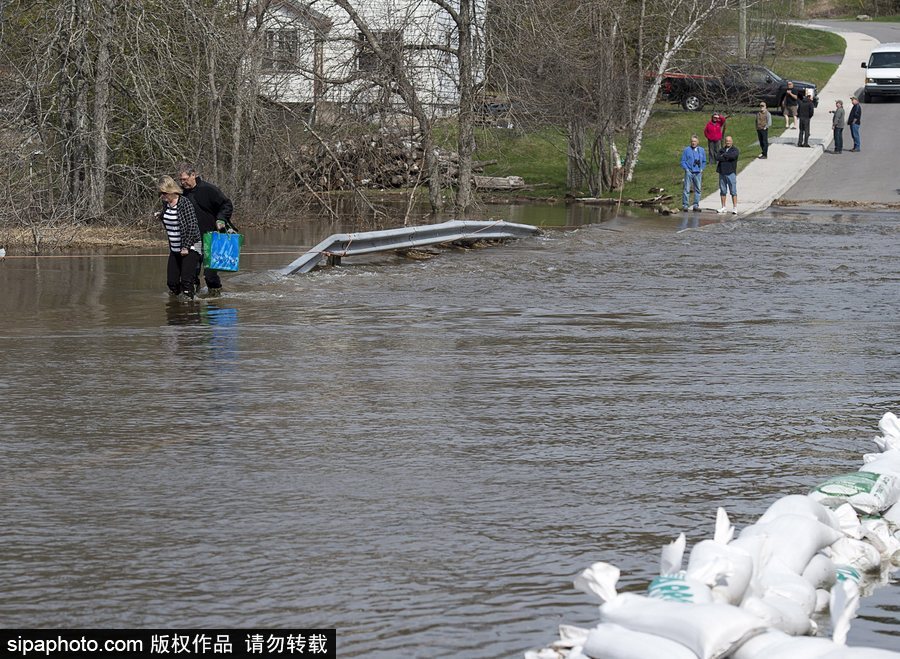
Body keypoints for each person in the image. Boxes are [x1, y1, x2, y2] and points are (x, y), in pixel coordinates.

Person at [176, 163, 234, 297]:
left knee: (210, 274)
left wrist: (221, 219)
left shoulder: (209, 189)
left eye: (185, 179)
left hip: (211, 238)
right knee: (192, 272)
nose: (183, 182)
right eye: (181, 180)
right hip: (192, 240)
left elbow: (226, 205)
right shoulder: (181, 193)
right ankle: (193, 302)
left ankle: (216, 298)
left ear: (193, 175)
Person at [156, 175, 202, 299]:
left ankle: (191, 308)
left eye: (164, 193)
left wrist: (186, 247)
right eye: (160, 193)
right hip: (175, 248)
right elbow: (170, 219)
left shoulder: (184, 203)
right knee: (172, 283)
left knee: (186, 282)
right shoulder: (166, 204)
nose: (162, 196)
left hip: (191, 246)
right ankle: (178, 309)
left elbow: (192, 225)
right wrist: (160, 216)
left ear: (171, 191)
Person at [679, 134, 707, 212]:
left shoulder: (701, 150)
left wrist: (702, 168)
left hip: (698, 172)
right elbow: (683, 161)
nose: (693, 143)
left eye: (695, 141)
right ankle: (685, 205)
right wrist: (687, 169)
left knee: (698, 189)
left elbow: (704, 161)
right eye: (692, 141)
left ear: (697, 142)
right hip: (689, 172)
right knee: (686, 188)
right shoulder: (686, 150)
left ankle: (696, 205)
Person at [715, 135, 739, 215]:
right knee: (723, 190)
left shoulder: (735, 150)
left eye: (729, 140)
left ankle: (735, 207)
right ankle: (723, 207)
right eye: (727, 141)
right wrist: (726, 157)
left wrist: (724, 155)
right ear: (725, 142)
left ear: (732, 141)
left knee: (733, 191)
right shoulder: (721, 149)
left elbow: (733, 156)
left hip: (731, 173)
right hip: (722, 172)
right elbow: (718, 157)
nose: (728, 142)